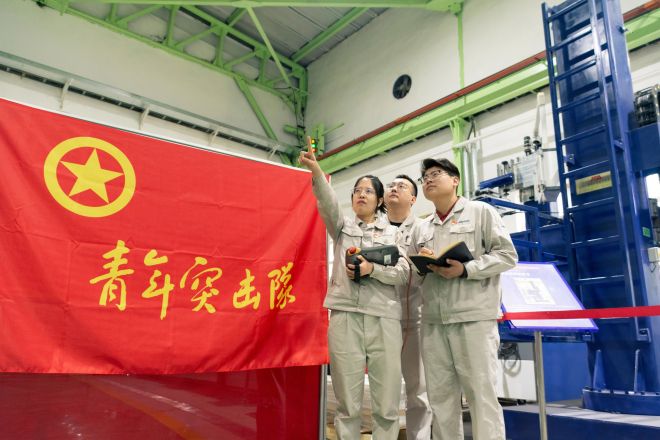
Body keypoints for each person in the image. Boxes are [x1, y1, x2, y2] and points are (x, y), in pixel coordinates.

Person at [299, 137, 410, 440]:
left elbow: (403, 273)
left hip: (384, 317)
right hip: (345, 316)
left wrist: (373, 270)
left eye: (368, 191)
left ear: (379, 200)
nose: (361, 194)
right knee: (347, 402)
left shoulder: (393, 234)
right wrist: (316, 171)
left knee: (386, 401)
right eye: (357, 190)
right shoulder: (342, 227)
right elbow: (327, 202)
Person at [409, 158, 517, 440]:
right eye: (424, 177)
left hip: (473, 319)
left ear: (455, 180)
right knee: (441, 399)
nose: (428, 180)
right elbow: (412, 273)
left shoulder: (481, 212)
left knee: (481, 395)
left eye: (435, 174)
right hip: (434, 322)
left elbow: (507, 255)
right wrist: (423, 265)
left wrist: (467, 269)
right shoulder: (422, 227)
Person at [384, 175, 432, 440]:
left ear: (413, 198)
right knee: (384, 390)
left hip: (416, 317)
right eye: (390, 185)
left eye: (401, 186)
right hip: (382, 318)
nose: (394, 188)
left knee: (418, 390)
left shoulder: (424, 229)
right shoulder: (374, 228)